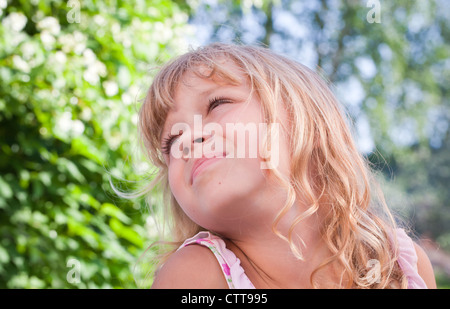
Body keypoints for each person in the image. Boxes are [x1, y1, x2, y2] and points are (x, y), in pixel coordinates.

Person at [137, 43, 436, 289]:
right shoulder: (194, 276)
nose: (189, 138)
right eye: (172, 141)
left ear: (309, 123)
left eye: (217, 103)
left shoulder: (403, 266)